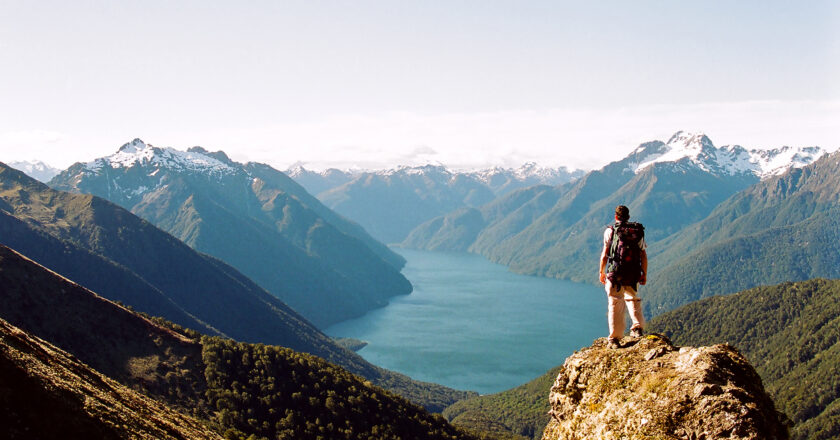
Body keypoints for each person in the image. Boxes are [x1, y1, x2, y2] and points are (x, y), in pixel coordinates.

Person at [598, 205, 647, 349]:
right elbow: (643, 254)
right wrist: (644, 273)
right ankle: (637, 328)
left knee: (615, 303)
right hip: (633, 273)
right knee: (632, 297)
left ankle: (614, 338)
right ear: (628, 217)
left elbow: (605, 253)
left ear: (616, 217)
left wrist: (601, 272)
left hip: (615, 273)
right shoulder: (637, 231)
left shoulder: (610, 231)